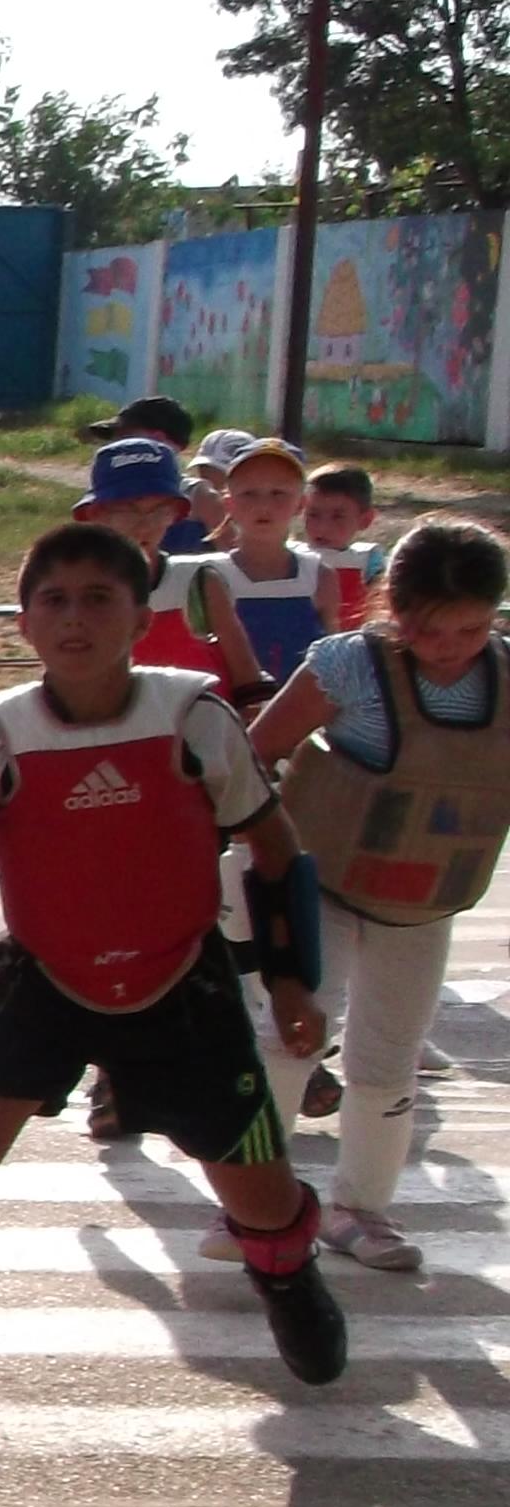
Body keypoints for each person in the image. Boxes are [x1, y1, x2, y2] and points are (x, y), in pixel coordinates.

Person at [0, 523, 348, 1478]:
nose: (75, 618)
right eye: (53, 601)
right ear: (23, 624)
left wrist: (291, 981)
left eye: (100, 598)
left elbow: (274, 848)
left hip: (183, 987)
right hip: (41, 985)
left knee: (259, 1198)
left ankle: (284, 1267)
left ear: (141, 618)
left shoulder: (194, 716)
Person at [243, 517, 510, 1272]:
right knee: (292, 1038)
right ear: (393, 605)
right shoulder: (347, 665)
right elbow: (255, 754)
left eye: (471, 630)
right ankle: (253, 1204)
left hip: (425, 903)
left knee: (389, 1061)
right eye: (428, 631)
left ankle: (360, 1211)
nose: (450, 648)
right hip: (320, 887)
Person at [73, 438, 260, 689]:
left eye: (159, 511)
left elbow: (248, 679)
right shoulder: (76, 591)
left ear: (175, 515)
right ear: (96, 515)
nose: (144, 525)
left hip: (205, 711)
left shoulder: (198, 582)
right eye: (127, 511)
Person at [201, 437, 336, 703]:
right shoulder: (209, 576)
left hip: (301, 715)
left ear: (301, 504)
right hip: (226, 714)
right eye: (249, 494)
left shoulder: (319, 576)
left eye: (278, 493)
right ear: (229, 504)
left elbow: (333, 661)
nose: (264, 506)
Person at [303, 462, 384, 622]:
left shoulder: (368, 561)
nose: (322, 527)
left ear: (365, 520)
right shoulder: (290, 557)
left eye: (338, 517)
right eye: (313, 514)